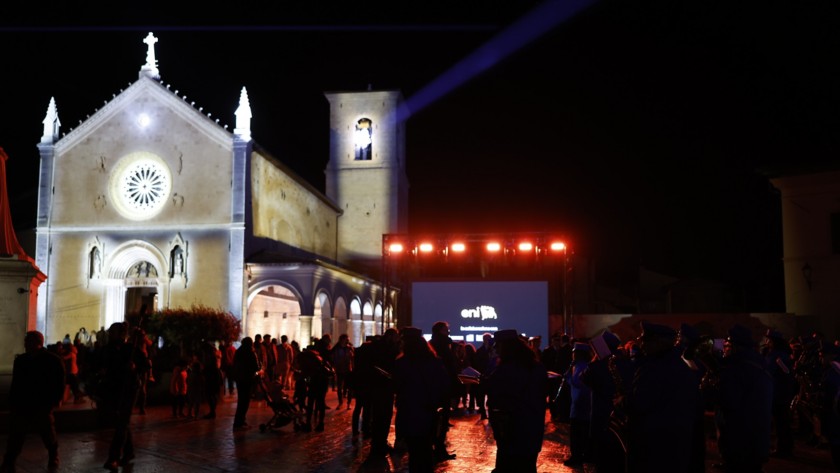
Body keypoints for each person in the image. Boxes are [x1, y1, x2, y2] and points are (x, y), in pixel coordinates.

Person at [624, 321, 698, 473]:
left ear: (658, 343)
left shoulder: (653, 368)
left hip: (654, 442)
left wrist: (623, 401)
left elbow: (639, 402)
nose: (641, 344)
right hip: (676, 442)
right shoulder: (681, 365)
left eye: (645, 340)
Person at [0, 331, 65, 472]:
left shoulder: (50, 360)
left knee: (46, 432)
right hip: (25, 402)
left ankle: (52, 454)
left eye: (27, 341)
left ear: (37, 343)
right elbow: (16, 383)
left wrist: (55, 399)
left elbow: (59, 382)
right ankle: (9, 460)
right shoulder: (24, 360)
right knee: (17, 434)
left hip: (40, 402)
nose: (25, 344)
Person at [713, 324, 773, 473]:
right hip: (753, 437)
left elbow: (730, 402)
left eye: (727, 345)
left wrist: (714, 390)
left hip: (740, 438)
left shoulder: (737, 368)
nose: (724, 349)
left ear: (736, 347)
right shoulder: (755, 363)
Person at [485, 329, 548, 473]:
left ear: (504, 347)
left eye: (497, 346)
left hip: (511, 429)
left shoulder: (505, 369)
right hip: (533, 428)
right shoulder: (537, 366)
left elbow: (497, 396)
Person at [393, 327, 450, 473]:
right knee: (426, 449)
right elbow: (444, 385)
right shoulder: (434, 362)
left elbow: (396, 387)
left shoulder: (401, 364)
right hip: (429, 412)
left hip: (409, 412)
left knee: (414, 452)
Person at [101, 323, 148, 471]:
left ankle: (113, 457)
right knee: (122, 423)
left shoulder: (130, 349)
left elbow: (146, 365)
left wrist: (135, 368)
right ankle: (129, 453)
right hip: (114, 389)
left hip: (129, 389)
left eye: (113, 332)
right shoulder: (109, 349)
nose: (110, 334)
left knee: (122, 423)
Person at [429, 321, 458, 462]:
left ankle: (436, 448)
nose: (448, 331)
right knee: (441, 421)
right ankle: (439, 449)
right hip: (443, 387)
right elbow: (450, 367)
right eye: (446, 329)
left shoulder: (432, 343)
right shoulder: (443, 345)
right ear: (440, 330)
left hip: (436, 387)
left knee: (437, 421)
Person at [564, 342, 592, 467]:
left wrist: (568, 378)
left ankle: (576, 458)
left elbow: (577, 383)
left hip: (579, 405)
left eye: (574, 352)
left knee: (576, 434)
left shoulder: (580, 367)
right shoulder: (583, 365)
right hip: (582, 405)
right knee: (582, 433)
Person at [232, 337, 260, 430]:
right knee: (245, 402)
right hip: (247, 379)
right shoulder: (251, 352)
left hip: (239, 379)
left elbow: (235, 364)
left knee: (241, 401)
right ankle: (240, 422)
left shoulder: (238, 351)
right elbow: (256, 367)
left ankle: (239, 421)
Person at [331, 333, 354, 409]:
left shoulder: (350, 348)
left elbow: (353, 358)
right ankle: (340, 402)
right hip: (340, 369)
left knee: (350, 387)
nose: (347, 341)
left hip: (348, 369)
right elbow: (332, 357)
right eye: (346, 339)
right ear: (342, 340)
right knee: (340, 387)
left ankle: (348, 403)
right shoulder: (336, 348)